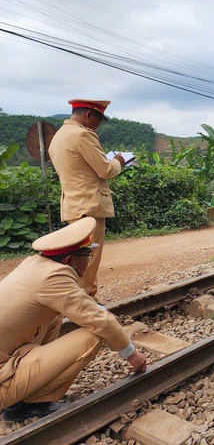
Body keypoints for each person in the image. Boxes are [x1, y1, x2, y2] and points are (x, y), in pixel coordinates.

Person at [0, 218, 147, 423]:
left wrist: (98, 310)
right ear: (70, 260)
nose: (90, 259)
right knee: (94, 334)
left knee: (55, 315)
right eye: (87, 254)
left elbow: (75, 300)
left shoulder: (36, 264)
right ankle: (30, 404)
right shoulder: (54, 278)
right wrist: (131, 354)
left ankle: (28, 390)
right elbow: (101, 322)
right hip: (2, 384)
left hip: (6, 357)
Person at [48, 99, 126, 299]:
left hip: (73, 207)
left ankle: (81, 300)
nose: (99, 125)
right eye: (99, 119)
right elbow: (106, 169)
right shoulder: (83, 135)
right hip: (89, 206)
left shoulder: (58, 137)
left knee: (78, 258)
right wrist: (118, 161)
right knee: (88, 261)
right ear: (88, 115)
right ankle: (85, 304)